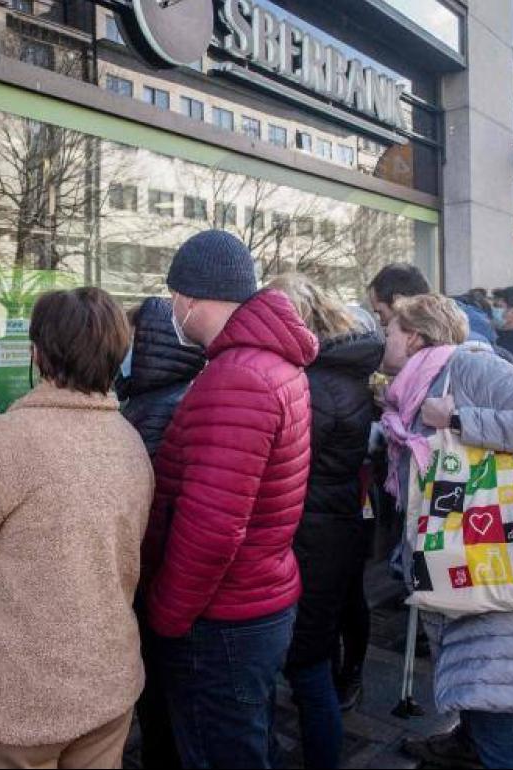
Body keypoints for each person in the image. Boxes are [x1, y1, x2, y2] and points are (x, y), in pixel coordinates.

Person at [0, 287, 152, 769]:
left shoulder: (0, 442)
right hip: (106, 685)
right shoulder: (130, 443)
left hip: (4, 702)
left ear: (38, 353)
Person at [141, 230, 318, 769]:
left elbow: (214, 528)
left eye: (174, 297)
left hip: (221, 620)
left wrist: (167, 614)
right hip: (255, 601)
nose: (173, 309)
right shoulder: (269, 363)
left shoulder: (236, 376)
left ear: (191, 298)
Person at [380, 295, 513, 770]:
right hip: (468, 574)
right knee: (481, 706)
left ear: (413, 336)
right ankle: (464, 744)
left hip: (503, 576)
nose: (381, 338)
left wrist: (455, 419)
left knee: (504, 723)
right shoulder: (414, 387)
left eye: (388, 330)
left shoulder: (471, 368)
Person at [268, 274, 383, 769]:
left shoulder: (309, 383)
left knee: (308, 662)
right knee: (320, 645)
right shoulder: (345, 372)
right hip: (338, 522)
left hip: (310, 528)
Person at [114, 296, 206, 769]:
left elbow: (142, 505)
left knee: (163, 703)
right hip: (170, 578)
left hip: (158, 577)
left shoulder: (153, 406)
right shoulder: (185, 390)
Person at [115, 297, 207, 458]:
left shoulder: (158, 407)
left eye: (129, 341)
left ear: (147, 344)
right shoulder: (166, 395)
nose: (122, 351)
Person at [367, 263, 496, 345]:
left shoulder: (449, 344)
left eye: (380, 312)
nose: (382, 323)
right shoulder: (451, 330)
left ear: (399, 302)